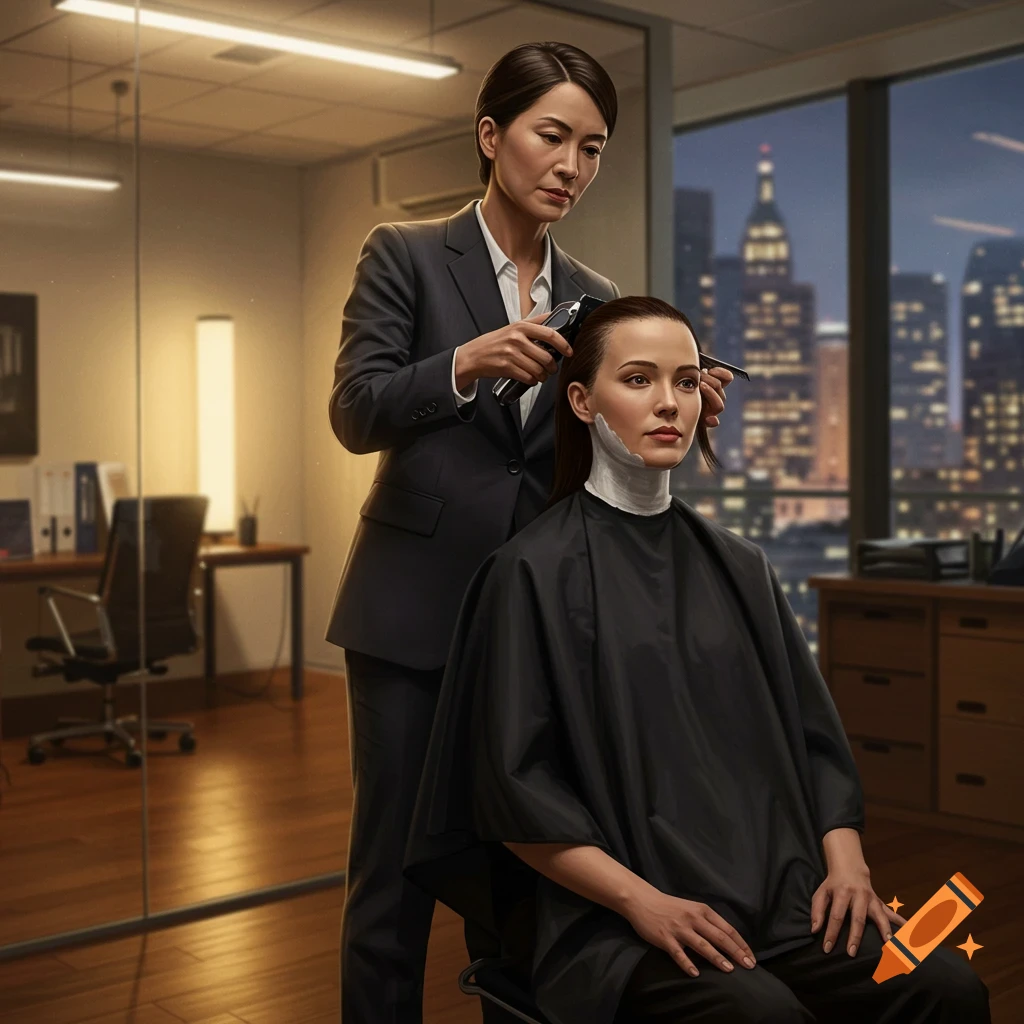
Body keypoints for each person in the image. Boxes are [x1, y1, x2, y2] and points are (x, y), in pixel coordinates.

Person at [404, 295, 992, 1024]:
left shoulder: (741, 566)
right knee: (763, 1017)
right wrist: (641, 904)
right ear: (582, 401)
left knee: (947, 988)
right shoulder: (527, 574)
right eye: (640, 380)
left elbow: (816, 743)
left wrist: (849, 867)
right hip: (614, 918)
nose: (669, 404)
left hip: (781, 894)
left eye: (686, 382)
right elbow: (513, 792)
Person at [326, 40, 736, 1023]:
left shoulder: (596, 292)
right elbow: (355, 411)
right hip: (411, 615)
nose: (570, 166)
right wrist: (461, 363)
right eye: (552, 136)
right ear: (490, 134)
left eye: (591, 149)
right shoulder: (406, 252)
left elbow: (587, 458)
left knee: (516, 863)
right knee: (391, 875)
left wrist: (669, 407)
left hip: (534, 621)